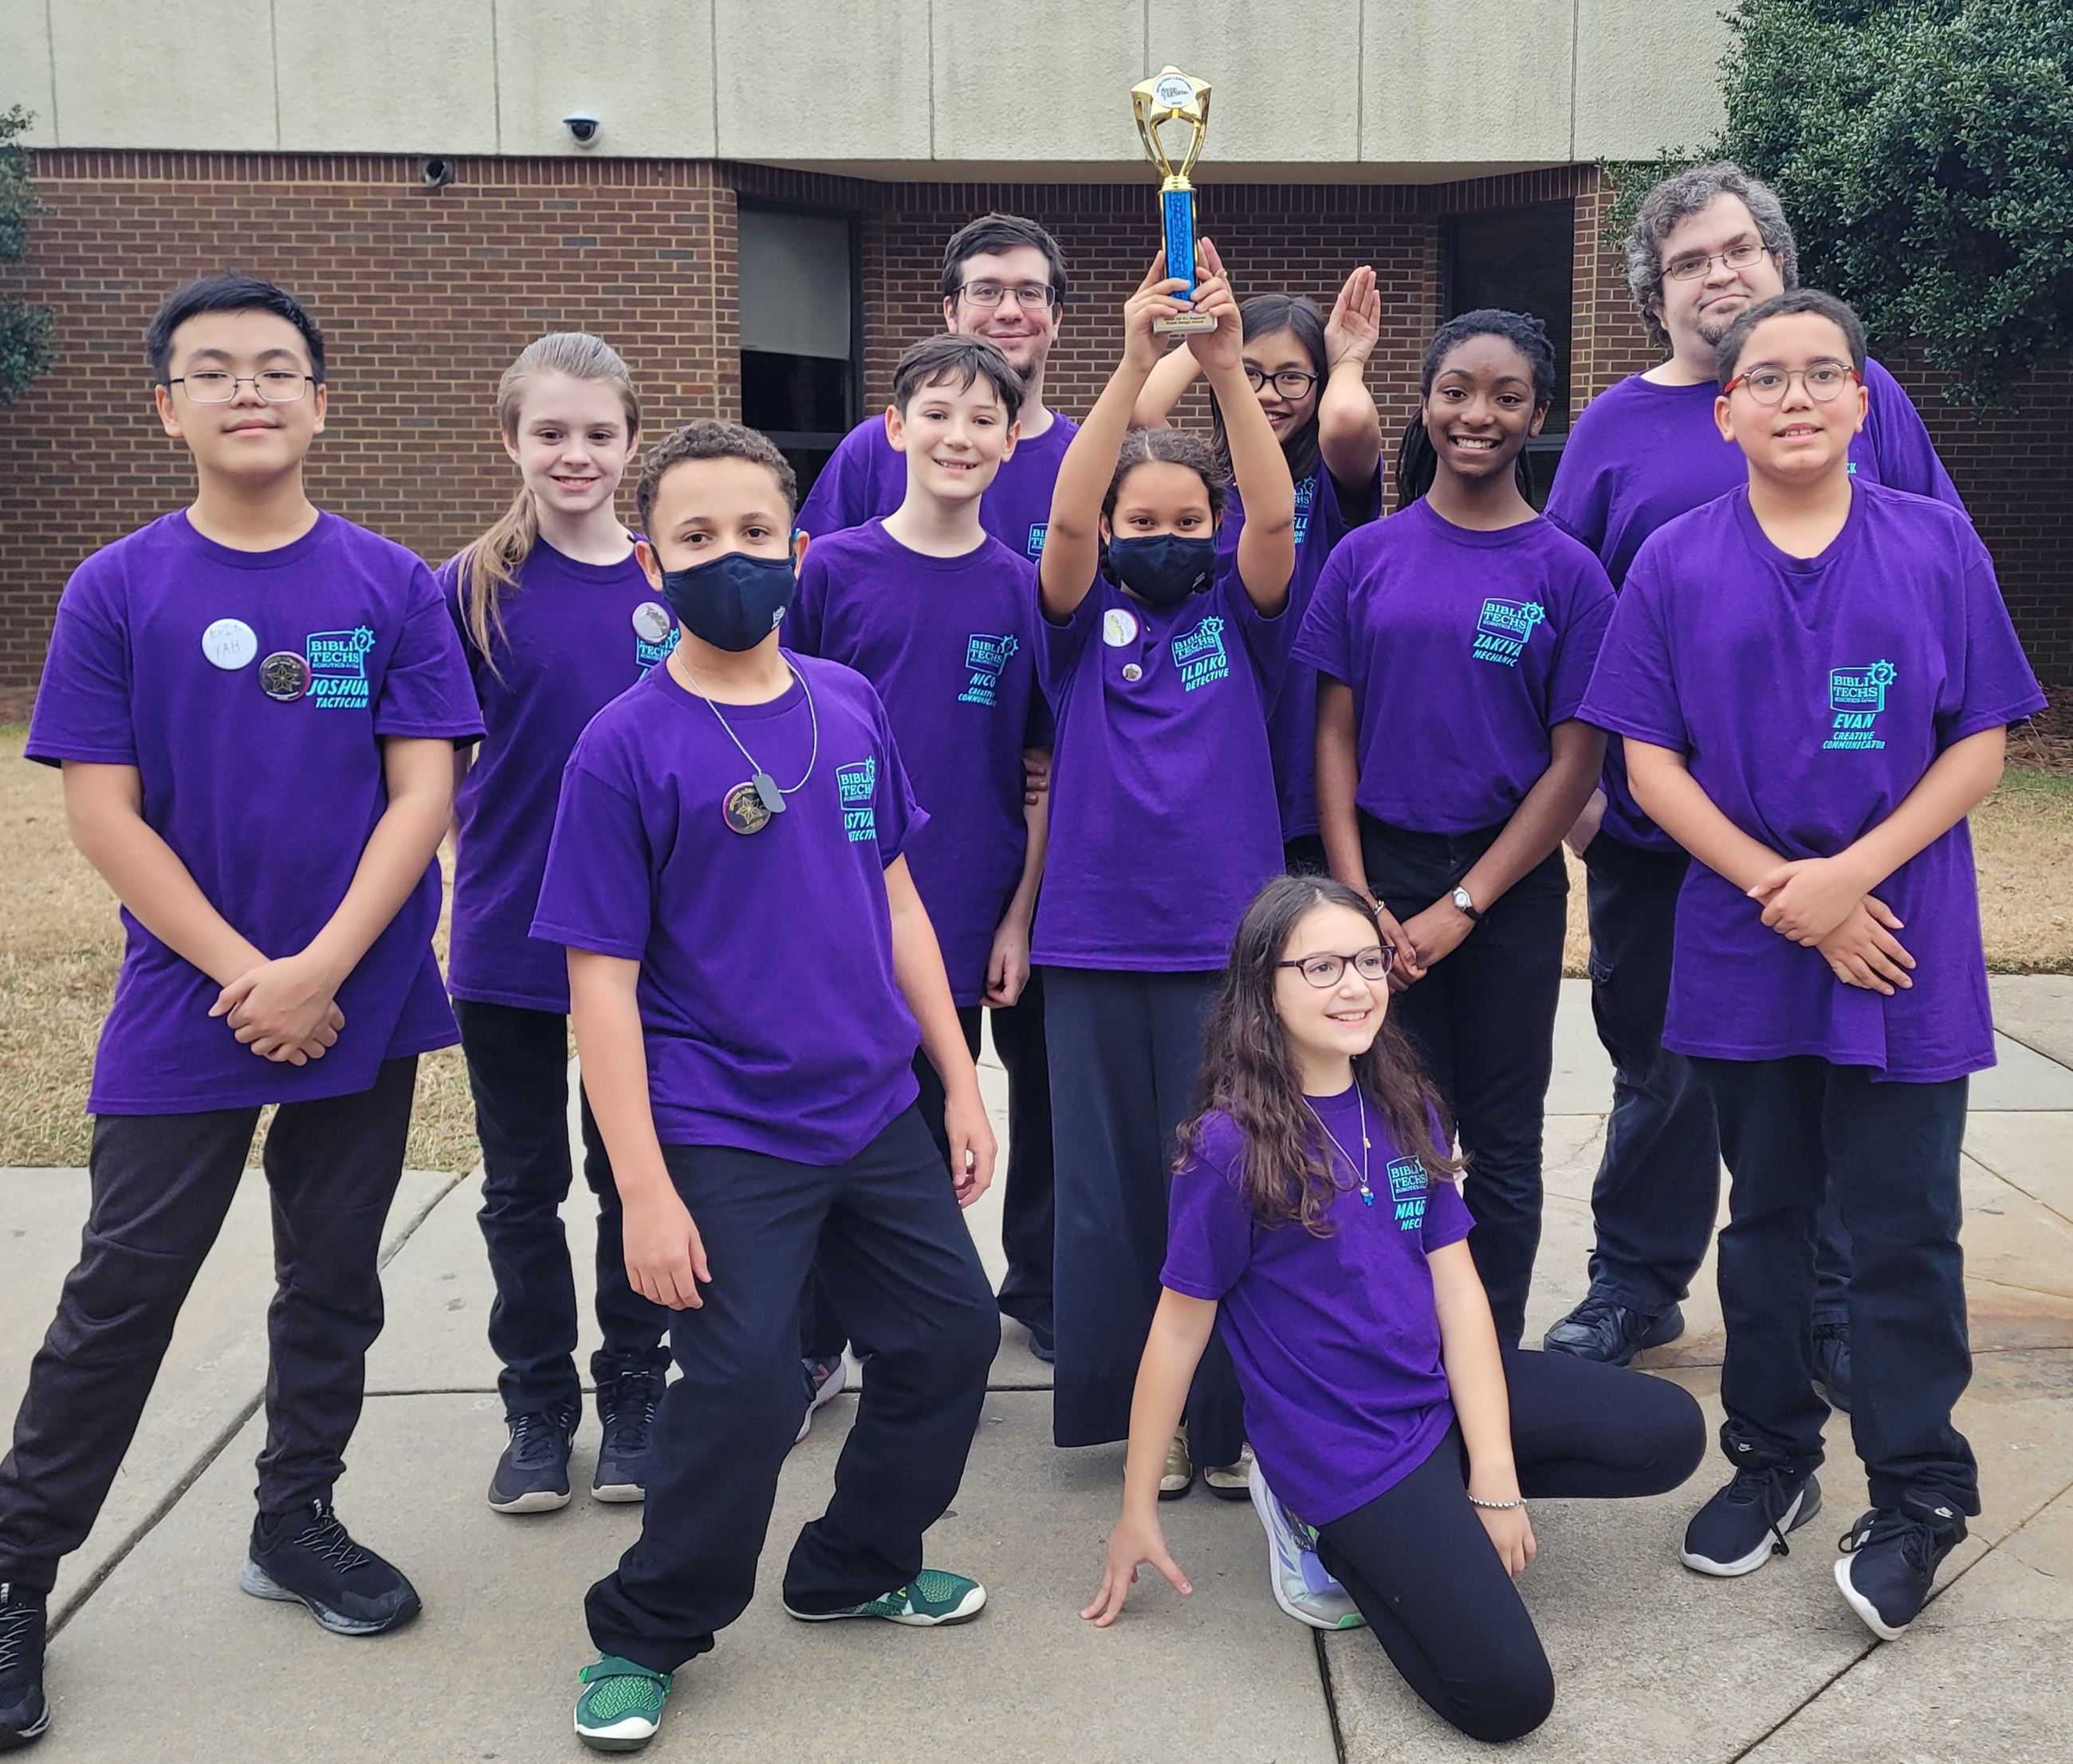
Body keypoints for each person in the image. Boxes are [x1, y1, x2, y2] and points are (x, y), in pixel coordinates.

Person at [0, 273, 483, 1750]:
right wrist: (247, 974)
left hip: (366, 991)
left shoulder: (389, 582)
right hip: (186, 996)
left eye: (278, 368)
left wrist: (327, 966)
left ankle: (297, 1519)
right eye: (213, 371)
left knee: (334, 1274)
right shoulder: (117, 586)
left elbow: (426, 791)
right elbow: (106, 814)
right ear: (169, 408)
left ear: (323, 403)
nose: (250, 390)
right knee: (121, 1291)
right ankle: (18, 1570)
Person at [1579, 289, 2043, 1640]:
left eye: (1821, 374)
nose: (1794, 395)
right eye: (1765, 377)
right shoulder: (1673, 558)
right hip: (1746, 945)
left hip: (1903, 946)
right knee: (1769, 1218)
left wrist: (1851, 878)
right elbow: (1647, 763)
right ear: (1724, 411)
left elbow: (1981, 741)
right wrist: (1782, 885)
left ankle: (1917, 1496)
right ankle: (1771, 1457)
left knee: (1901, 1230)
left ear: (1862, 402)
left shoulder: (1938, 544)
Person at [533, 420, 1001, 1754]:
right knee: (739, 1385)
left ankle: (855, 1560)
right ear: (652, 559)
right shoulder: (624, 747)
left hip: (871, 1107)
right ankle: (645, 1626)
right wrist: (643, 1192)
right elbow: (601, 984)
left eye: (751, 534)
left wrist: (957, 1081)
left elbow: (899, 897)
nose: (726, 557)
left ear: (795, 549)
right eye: (695, 537)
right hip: (722, 1124)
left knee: (948, 1338)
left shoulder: (846, 702)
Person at [1084, 876, 1705, 1742]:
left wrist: (1490, 1471)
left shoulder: (1402, 1098)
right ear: (1264, 985)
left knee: (1669, 1430)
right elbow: (1178, 1328)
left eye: (1367, 960)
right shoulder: (1231, 1146)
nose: (1355, 985)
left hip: (1433, 1395)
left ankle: (1430, 1512)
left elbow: (1455, 1288)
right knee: (1507, 1698)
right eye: (1323, 965)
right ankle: (1318, 1530)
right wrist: (1136, 1504)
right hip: (1346, 1449)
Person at [1542, 163, 1969, 1393]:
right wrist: (1579, 788)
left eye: (1738, 250)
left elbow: (1939, 579)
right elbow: (1568, 607)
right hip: (1663, 833)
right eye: (1689, 262)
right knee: (1664, 1071)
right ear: (1654, 293)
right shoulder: (1619, 427)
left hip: (1852, 833)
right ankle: (1637, 1281)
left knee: (1842, 1068)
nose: (1719, 274)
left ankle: (1829, 1309)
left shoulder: (1863, 393)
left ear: (1778, 263)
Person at [1036, 243, 1296, 1499]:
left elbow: (1278, 512)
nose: (1163, 537)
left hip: (1225, 939)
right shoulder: (1082, 621)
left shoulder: (1240, 614)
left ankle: (1230, 1417)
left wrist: (1224, 370)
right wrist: (1134, 364)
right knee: (1111, 1195)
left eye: (1185, 521)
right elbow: (1073, 516)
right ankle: (1125, 1409)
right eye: (1149, 522)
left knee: (1231, 1178)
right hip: (1092, 941)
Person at [1301, 309, 1613, 1346]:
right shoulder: (1366, 559)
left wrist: (1465, 905)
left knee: (1504, 1148)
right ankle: (1395, 1356)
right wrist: (1357, 902)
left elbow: (1577, 764)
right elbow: (1334, 735)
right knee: (1390, 1141)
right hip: (1376, 878)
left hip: (1507, 893)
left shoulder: (1569, 573)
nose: (1478, 414)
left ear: (1538, 414)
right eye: (1456, 391)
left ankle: (1495, 1363)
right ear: (1425, 404)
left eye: (1506, 395)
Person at [797, 210, 1073, 1357]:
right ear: (894, 427)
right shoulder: (837, 568)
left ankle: (974, 1309)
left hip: (965, 900)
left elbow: (1042, 768)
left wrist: (1017, 913)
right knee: (846, 1114)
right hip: (835, 903)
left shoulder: (1021, 591)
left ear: (1013, 443)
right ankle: (822, 1336)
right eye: (939, 415)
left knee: (939, 1107)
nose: (960, 436)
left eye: (984, 419)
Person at [438, 332, 672, 1515]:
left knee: (636, 1172)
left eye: (597, 432)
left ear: (632, 442)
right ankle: (537, 1408)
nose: (574, 453)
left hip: (650, 950)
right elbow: (426, 771)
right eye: (550, 432)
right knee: (521, 1187)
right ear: (511, 441)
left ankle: (635, 1388)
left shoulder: (670, 584)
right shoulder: (469, 588)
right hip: (510, 936)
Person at [1131, 275, 1387, 869]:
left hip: (1303, 747)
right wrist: (1204, 335)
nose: (1269, 394)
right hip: (1213, 735)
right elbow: (1143, 407)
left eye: (1292, 376)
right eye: (1252, 372)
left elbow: (1347, 419)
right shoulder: (1202, 489)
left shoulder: (1329, 481)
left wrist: (1347, 362)